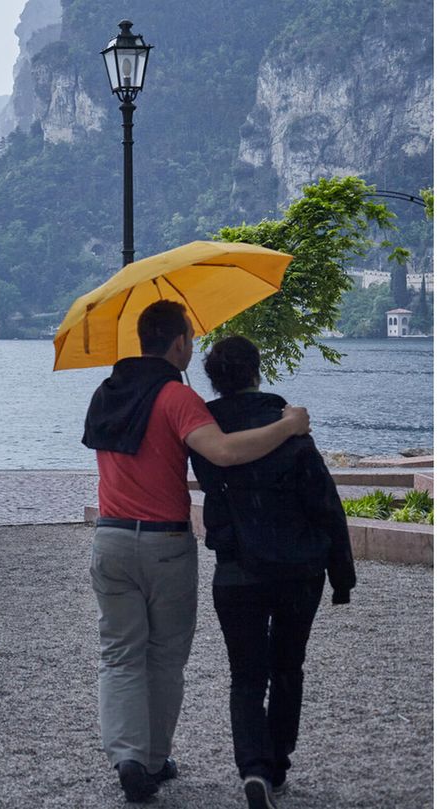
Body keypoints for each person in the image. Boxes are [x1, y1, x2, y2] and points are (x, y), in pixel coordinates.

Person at [81, 300, 311, 803]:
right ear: (179, 342)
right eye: (189, 335)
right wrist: (289, 426)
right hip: (163, 544)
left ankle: (127, 758)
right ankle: (155, 759)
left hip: (110, 538)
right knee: (164, 656)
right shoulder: (175, 397)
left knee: (119, 655)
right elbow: (225, 452)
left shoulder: (106, 393)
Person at [189, 335, 356, 809]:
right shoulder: (289, 427)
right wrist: (341, 576)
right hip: (298, 569)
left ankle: (254, 769)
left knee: (245, 676)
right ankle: (278, 762)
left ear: (214, 380)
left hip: (238, 569)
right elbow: (325, 504)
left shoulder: (205, 435)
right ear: (257, 371)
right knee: (287, 668)